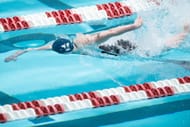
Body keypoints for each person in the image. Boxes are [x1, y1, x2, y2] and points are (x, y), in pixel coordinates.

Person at [4, 17, 190, 62]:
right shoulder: (83, 41)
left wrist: (134, 26)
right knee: (154, 50)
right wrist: (133, 26)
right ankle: (184, 33)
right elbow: (112, 32)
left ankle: (183, 33)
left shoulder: (53, 46)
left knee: (155, 51)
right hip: (114, 48)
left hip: (115, 48)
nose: (79, 36)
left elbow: (29, 49)